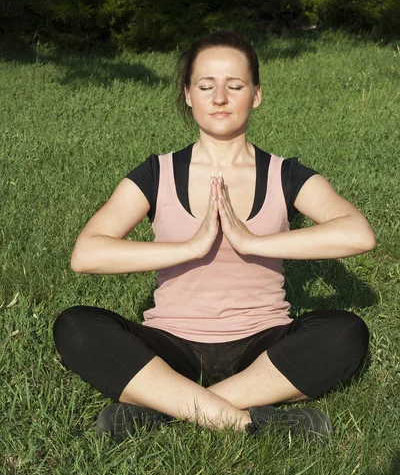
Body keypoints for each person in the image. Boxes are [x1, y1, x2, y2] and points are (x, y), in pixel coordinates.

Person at [53, 30, 374, 443]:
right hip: (171, 347)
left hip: (262, 348)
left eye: (234, 86)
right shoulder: (157, 173)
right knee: (76, 326)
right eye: (206, 86)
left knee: (346, 332)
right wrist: (190, 247)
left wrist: (252, 242)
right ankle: (249, 422)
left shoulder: (285, 174)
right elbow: (86, 254)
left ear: (255, 95)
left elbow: (358, 233)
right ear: (188, 94)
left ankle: (168, 411)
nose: (219, 97)